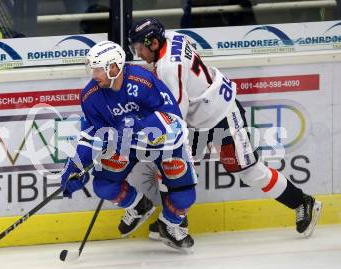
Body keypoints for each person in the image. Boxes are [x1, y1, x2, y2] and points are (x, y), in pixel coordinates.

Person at [128, 18, 322, 240]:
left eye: (140, 48)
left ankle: (303, 202)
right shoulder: (171, 37)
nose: (139, 54)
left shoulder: (168, 69)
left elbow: (174, 115)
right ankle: (173, 222)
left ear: (153, 43)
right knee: (171, 167)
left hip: (221, 115)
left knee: (247, 170)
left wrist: (145, 122)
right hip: (200, 115)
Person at [60, 40, 198, 252]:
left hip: (163, 142)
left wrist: (140, 129)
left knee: (184, 196)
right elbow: (90, 135)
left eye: (99, 69)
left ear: (114, 67)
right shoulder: (90, 96)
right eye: (93, 69)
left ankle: (169, 224)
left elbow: (173, 119)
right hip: (125, 145)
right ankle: (139, 206)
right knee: (104, 186)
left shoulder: (142, 81)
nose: (94, 75)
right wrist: (77, 167)